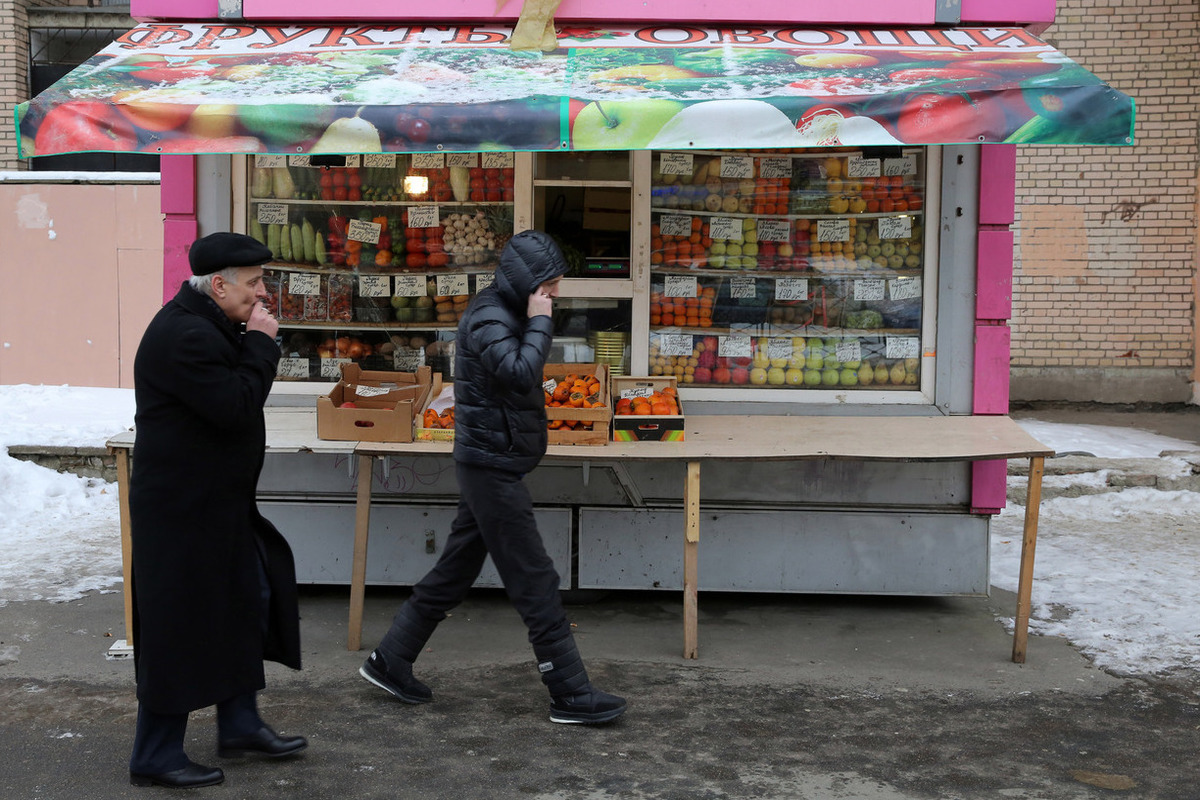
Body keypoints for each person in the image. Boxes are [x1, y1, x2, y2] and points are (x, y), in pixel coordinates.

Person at [360, 230, 626, 725]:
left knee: (455, 571)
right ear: (529, 284)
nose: (556, 295)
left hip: (492, 459)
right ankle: (569, 692)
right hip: (490, 466)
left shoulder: (503, 310)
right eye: (550, 287)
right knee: (535, 579)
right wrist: (542, 321)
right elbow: (522, 373)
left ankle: (390, 660)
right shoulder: (489, 317)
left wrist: (535, 314)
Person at [127, 232, 306, 788]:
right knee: (178, 624)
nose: (262, 293)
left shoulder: (208, 322)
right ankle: (154, 754)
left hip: (217, 502)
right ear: (219, 284)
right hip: (182, 510)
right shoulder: (185, 334)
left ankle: (240, 723)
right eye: (253, 283)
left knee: (243, 601)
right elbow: (235, 405)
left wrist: (249, 336)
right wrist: (261, 344)